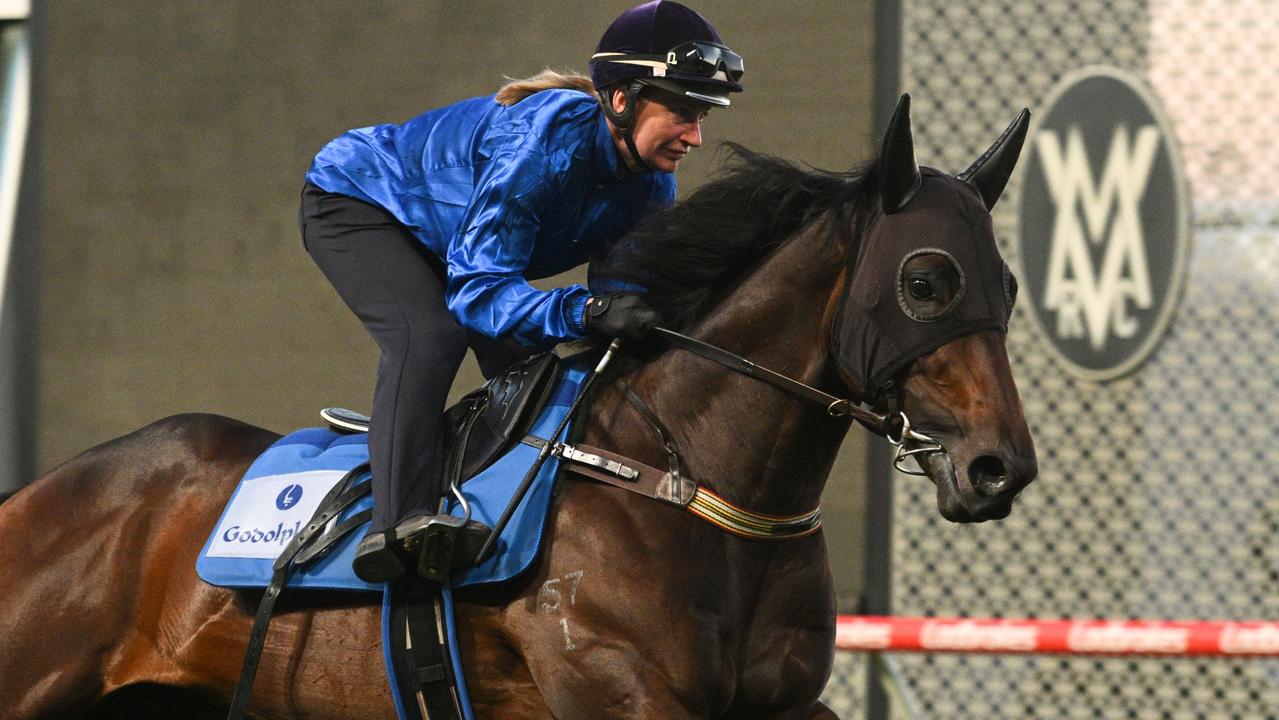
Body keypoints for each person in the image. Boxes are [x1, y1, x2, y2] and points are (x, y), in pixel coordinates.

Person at [300, 0, 745, 583]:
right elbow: (480, 294)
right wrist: (584, 310)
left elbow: (620, 317)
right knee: (431, 337)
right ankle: (396, 526)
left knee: (541, 374)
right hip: (358, 201)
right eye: (683, 112)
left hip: (455, 245)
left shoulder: (651, 184)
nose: (695, 136)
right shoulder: (541, 141)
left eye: (703, 115)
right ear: (621, 99)